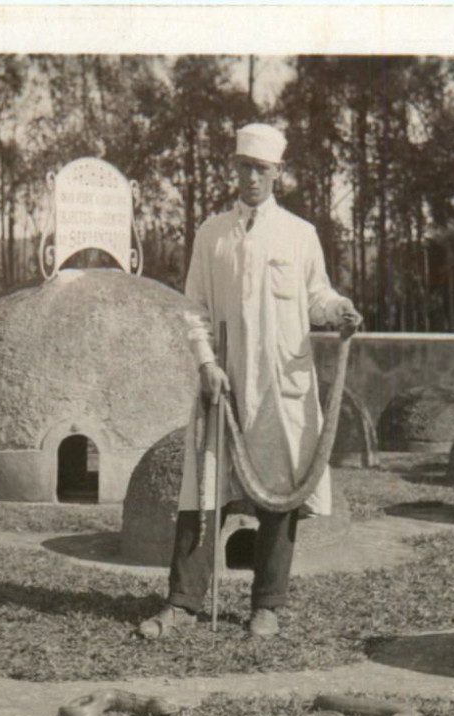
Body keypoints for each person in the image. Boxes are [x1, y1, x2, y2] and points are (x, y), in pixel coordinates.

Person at [139, 122, 363, 640]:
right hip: (224, 380)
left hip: (282, 382)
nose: (251, 178)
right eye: (243, 167)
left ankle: (267, 605)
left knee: (279, 494)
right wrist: (205, 363)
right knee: (205, 489)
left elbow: (317, 297)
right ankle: (182, 603)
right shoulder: (211, 233)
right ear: (233, 168)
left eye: (261, 169)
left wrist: (340, 311)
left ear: (277, 172)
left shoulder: (299, 234)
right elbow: (192, 307)